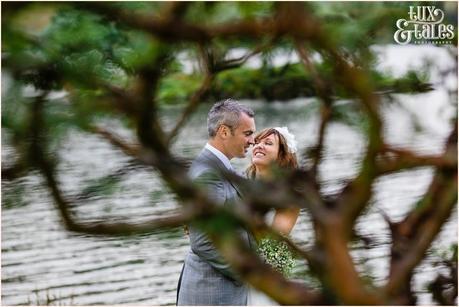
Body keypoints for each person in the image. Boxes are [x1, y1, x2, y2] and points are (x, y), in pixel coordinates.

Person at [177, 99, 256, 305]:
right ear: (224, 132)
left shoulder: (220, 167)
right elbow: (203, 240)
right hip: (212, 292)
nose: (252, 141)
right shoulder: (208, 173)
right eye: (247, 134)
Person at [246, 127, 300, 306]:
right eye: (257, 142)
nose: (259, 146)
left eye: (268, 144)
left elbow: (271, 244)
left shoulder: (288, 198)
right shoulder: (242, 187)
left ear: (281, 157)